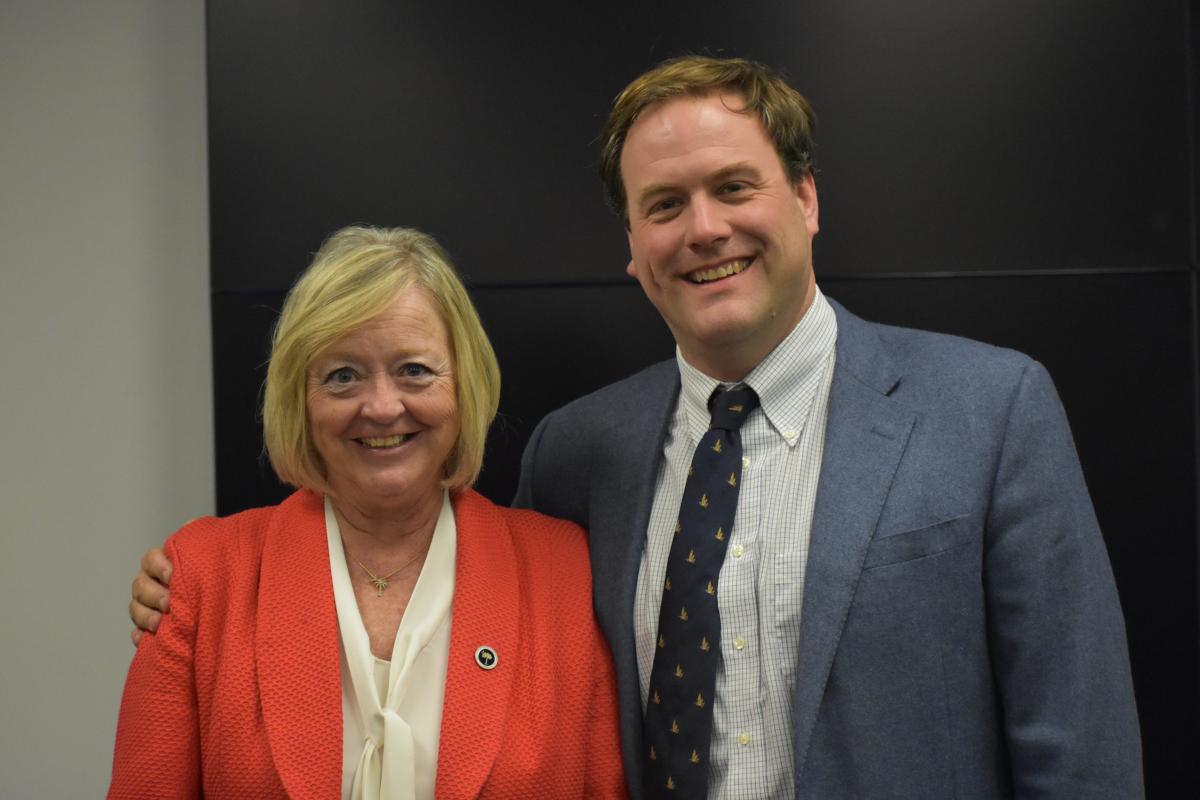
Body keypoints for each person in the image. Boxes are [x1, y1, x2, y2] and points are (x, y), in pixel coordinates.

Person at [130, 57, 1143, 798]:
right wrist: (192, 593)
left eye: (734, 187)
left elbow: (1079, 744)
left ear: (805, 198)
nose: (703, 228)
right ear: (632, 244)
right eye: (664, 204)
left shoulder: (988, 409)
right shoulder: (580, 452)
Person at [110, 226, 627, 799]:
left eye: (414, 370)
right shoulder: (203, 577)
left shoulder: (565, 572)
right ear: (299, 401)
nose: (382, 406)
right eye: (342, 376)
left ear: (464, 385)